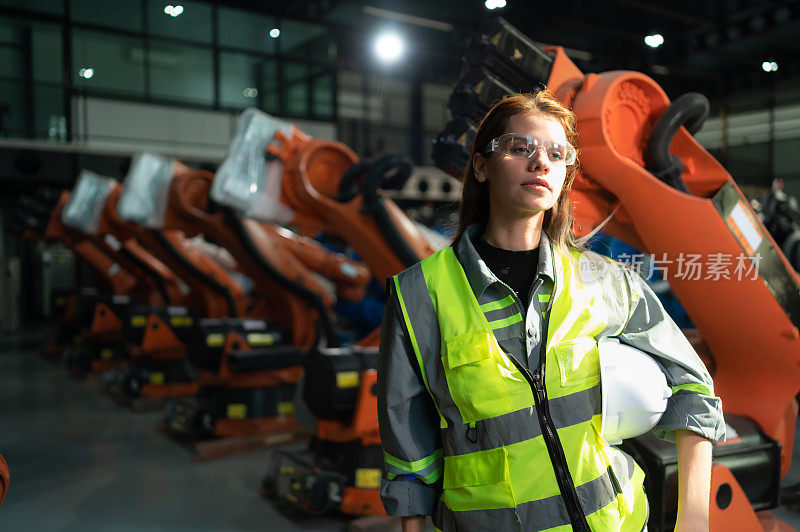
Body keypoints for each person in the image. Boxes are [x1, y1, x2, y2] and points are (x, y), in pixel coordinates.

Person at [377, 91, 725, 532]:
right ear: (481, 167)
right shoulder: (419, 295)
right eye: (521, 148)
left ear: (565, 175)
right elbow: (408, 454)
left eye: (556, 154)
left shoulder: (606, 281)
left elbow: (693, 388)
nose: (540, 162)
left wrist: (693, 518)